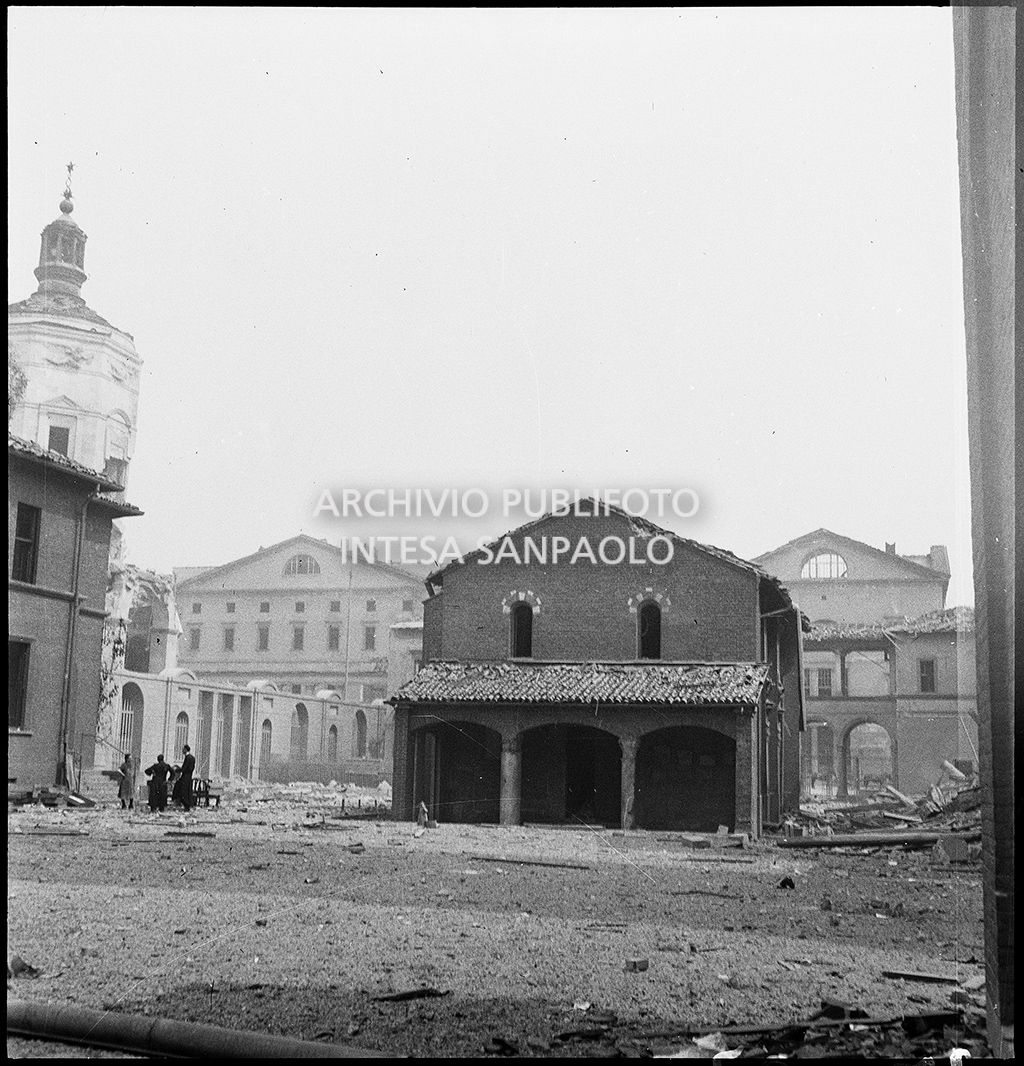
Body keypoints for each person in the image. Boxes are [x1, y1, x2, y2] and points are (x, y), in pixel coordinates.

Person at [179, 744, 196, 812]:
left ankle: (186, 805)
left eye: (183, 749)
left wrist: (179, 770)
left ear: (186, 749)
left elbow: (184, 768)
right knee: (188, 791)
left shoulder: (188, 757)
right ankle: (187, 804)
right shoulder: (192, 757)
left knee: (183, 791)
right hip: (189, 776)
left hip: (185, 776)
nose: (182, 751)